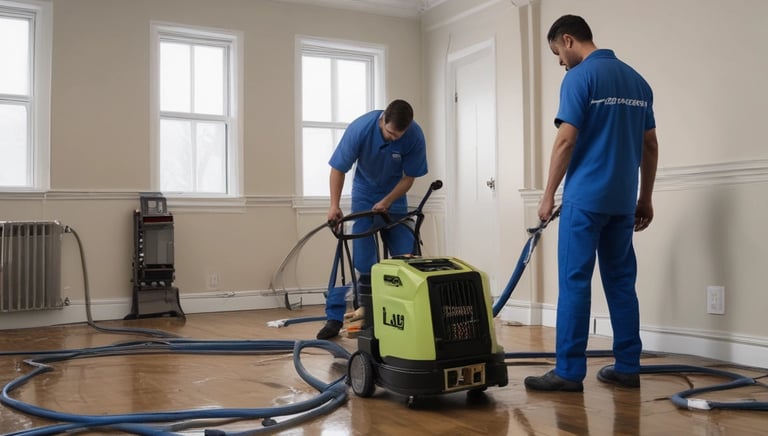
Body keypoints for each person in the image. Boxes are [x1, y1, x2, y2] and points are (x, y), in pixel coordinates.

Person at [524, 15, 659, 391]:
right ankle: (629, 366)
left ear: (568, 40)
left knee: (574, 282)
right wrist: (644, 197)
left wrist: (548, 194)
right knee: (620, 282)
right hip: (621, 201)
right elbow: (649, 145)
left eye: (557, 53)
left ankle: (568, 372)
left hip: (584, 201)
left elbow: (565, 141)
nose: (560, 62)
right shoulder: (637, 81)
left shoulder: (579, 79)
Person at [316, 99, 428, 340]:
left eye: (399, 135)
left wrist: (388, 201)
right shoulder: (360, 129)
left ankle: (403, 317)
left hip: (395, 198)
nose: (394, 139)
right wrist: (334, 205)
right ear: (382, 120)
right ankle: (337, 318)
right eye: (390, 133)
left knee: (407, 256)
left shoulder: (414, 136)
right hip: (365, 196)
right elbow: (338, 168)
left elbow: (409, 178)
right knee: (359, 260)